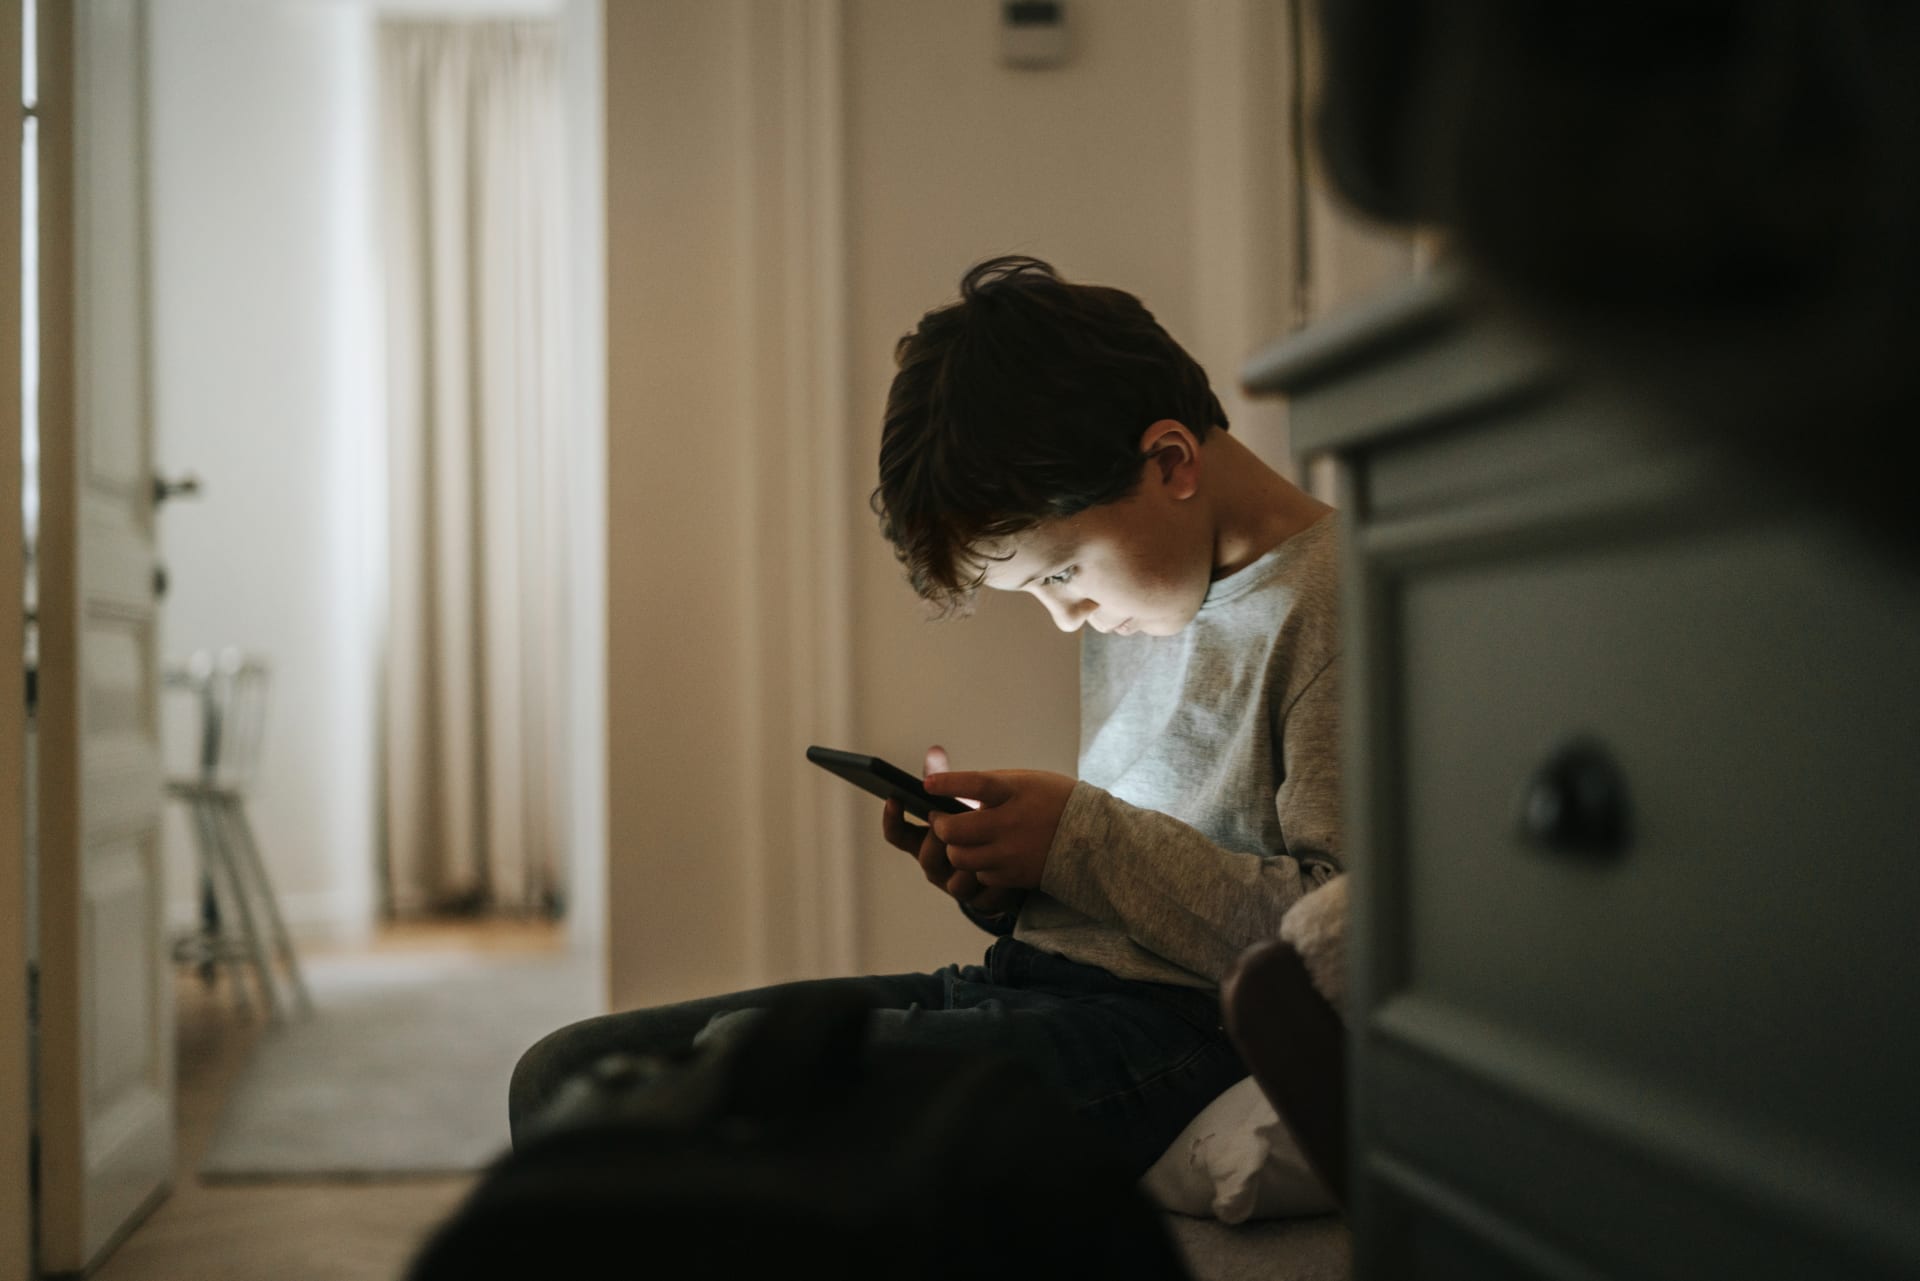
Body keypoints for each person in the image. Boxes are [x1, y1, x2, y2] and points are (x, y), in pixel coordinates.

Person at [508, 256, 1342, 1175]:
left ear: (1171, 462)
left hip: (1178, 1026)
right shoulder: (1154, 586)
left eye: (1060, 574)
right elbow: (1131, 885)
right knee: (564, 1075)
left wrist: (1078, 837)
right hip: (1034, 984)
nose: (1066, 615)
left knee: (745, 1071)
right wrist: (1014, 878)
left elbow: (1335, 941)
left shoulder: (1340, 605)